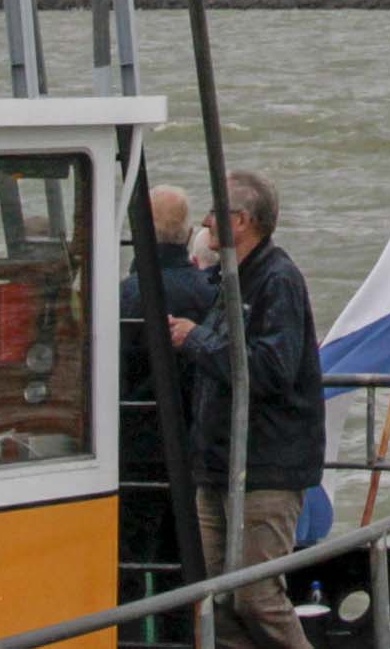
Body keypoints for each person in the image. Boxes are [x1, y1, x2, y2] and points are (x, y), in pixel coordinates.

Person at [168, 172, 321, 649]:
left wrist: (197, 339)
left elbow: (271, 369)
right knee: (218, 599)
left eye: (214, 213)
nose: (206, 222)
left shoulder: (278, 281)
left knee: (256, 594)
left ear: (240, 221)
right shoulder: (225, 279)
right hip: (216, 466)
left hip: (265, 469)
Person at [116, 186, 219, 598]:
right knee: (184, 563)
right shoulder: (209, 293)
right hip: (194, 445)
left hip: (135, 448)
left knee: (130, 563)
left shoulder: (125, 296)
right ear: (189, 231)